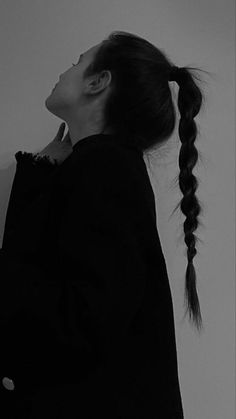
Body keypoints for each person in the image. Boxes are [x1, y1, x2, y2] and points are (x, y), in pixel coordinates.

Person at [0, 30, 209, 418]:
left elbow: (82, 321)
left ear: (98, 82)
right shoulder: (102, 166)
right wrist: (39, 171)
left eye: (78, 62)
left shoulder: (104, 167)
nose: (67, 70)